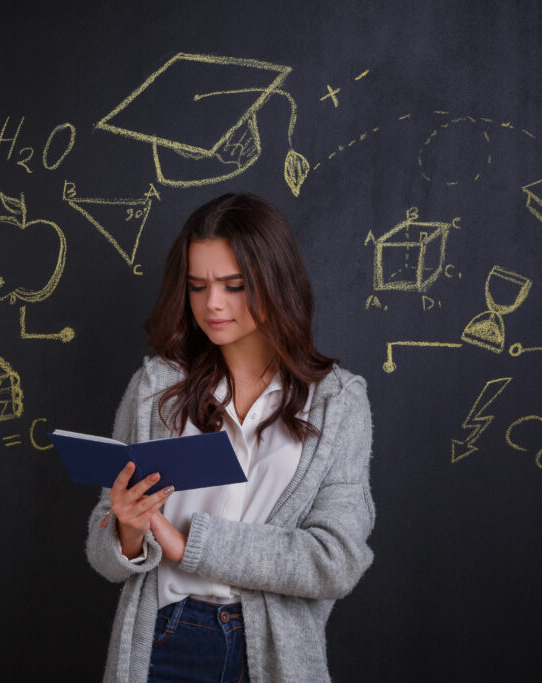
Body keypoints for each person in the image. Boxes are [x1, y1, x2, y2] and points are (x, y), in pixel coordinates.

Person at [85, 192, 375, 682]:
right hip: (162, 639)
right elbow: (104, 551)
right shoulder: (156, 388)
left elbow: (336, 561)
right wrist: (127, 533)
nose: (212, 304)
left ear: (275, 281)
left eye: (234, 285)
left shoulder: (337, 402)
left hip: (272, 653)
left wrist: (190, 546)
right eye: (197, 286)